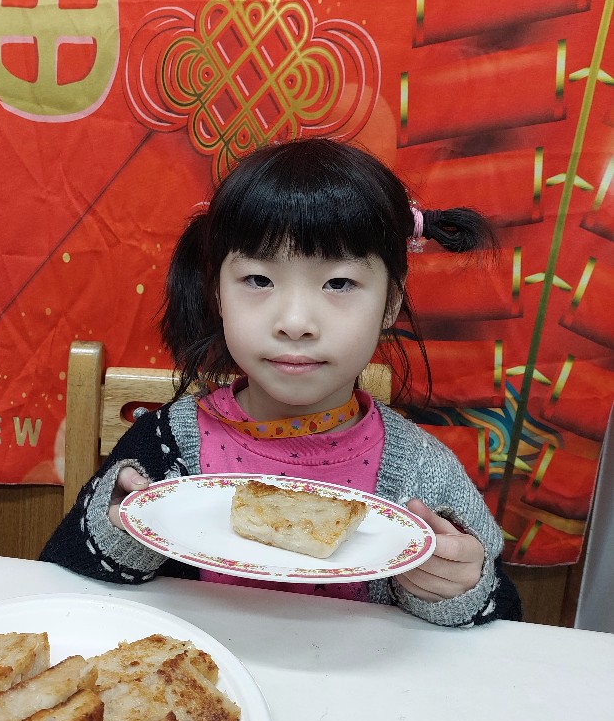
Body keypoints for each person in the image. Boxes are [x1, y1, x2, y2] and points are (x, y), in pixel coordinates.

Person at [41, 137, 522, 626]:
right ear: (218, 294)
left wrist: (452, 588)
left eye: (339, 283)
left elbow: (502, 617)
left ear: (390, 304)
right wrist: (123, 532)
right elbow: (61, 574)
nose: (294, 322)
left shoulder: (423, 471)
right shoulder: (166, 447)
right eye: (258, 280)